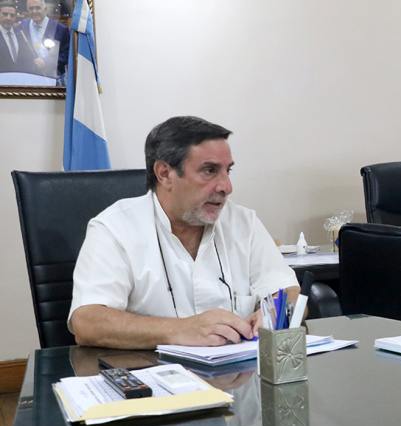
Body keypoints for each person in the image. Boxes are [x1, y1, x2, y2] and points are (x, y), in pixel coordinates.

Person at [69, 116, 299, 349]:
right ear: (164, 174)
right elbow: (87, 322)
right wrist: (180, 329)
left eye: (228, 171)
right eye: (209, 170)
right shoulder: (115, 228)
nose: (226, 187)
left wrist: (272, 314)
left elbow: (289, 291)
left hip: (239, 368)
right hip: (150, 369)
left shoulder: (243, 222)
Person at [18, 0, 69, 83]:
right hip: (28, 78)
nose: (34, 11)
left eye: (38, 8)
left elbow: (66, 54)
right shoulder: (22, 26)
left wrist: (46, 63)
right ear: (27, 10)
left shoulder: (61, 29)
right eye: (31, 8)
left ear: (45, 9)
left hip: (54, 78)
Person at [0, 1, 33, 73]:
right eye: (5, 14)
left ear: (15, 17)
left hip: (20, 77)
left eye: (12, 15)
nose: (8, 18)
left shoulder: (21, 34)